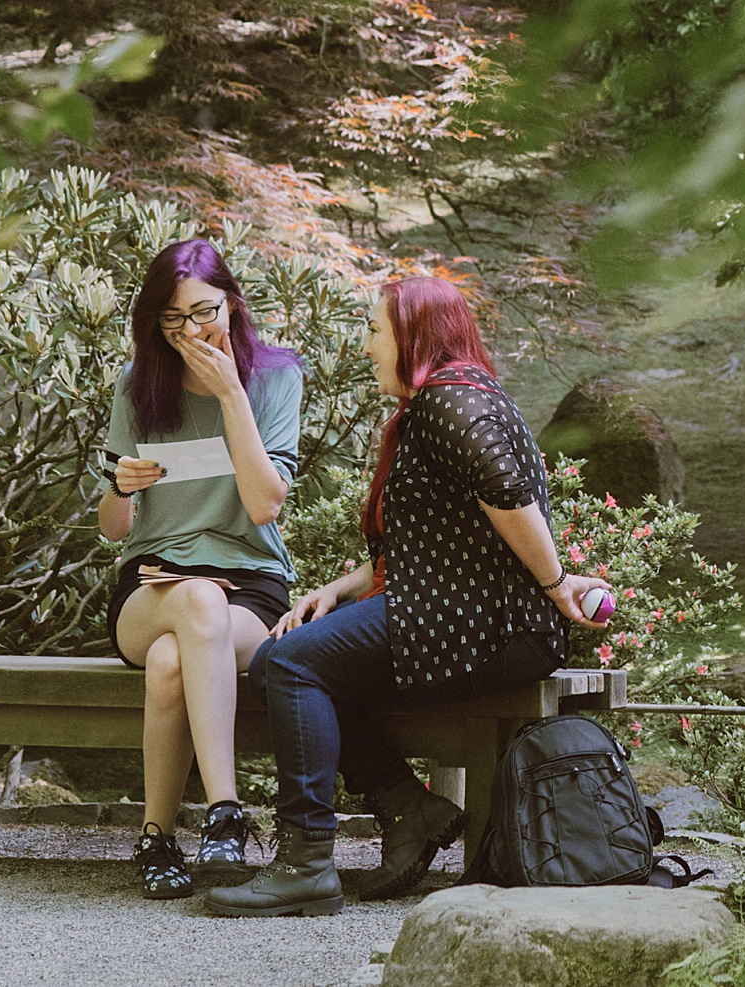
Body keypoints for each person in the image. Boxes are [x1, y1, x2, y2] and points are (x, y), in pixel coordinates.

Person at [206, 276, 611, 917]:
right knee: (294, 659)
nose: (366, 346)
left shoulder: (449, 402)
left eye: (373, 330)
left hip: (485, 625)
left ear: (414, 335)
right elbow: (434, 544)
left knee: (284, 663)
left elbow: (506, 494)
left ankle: (306, 863)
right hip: (463, 615)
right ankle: (408, 808)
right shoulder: (462, 395)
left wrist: (557, 583)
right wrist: (337, 592)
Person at [99, 238, 304, 899]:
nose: (189, 331)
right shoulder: (137, 388)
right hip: (152, 584)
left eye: (202, 312)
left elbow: (264, 502)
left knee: (171, 659)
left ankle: (157, 837)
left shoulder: (275, 378)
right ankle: (226, 812)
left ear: (233, 304)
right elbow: (113, 530)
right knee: (193, 602)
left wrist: (230, 395)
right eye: (171, 319)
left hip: (250, 587)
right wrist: (120, 487)